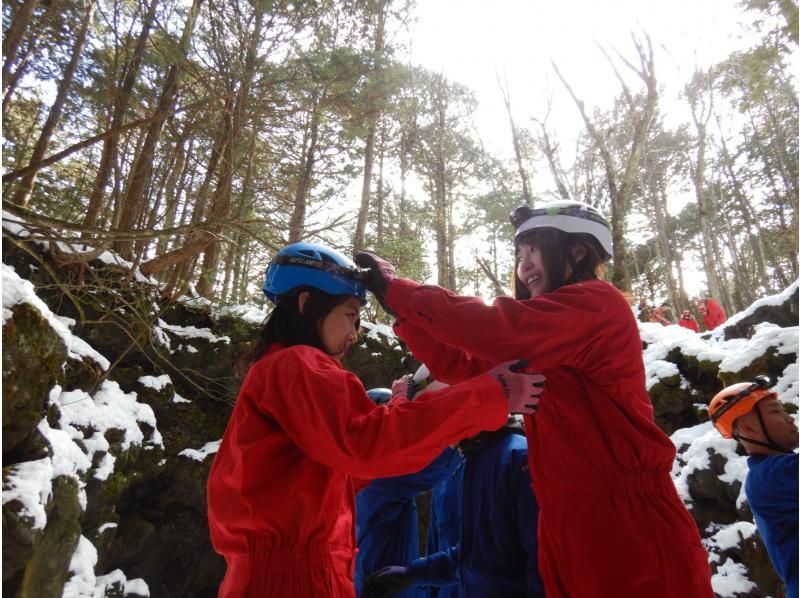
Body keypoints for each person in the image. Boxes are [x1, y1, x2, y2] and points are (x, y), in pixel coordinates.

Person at [355, 200, 714, 597]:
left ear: (577, 251)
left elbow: (501, 330)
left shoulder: (598, 303)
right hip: (565, 518)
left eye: (534, 249)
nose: (523, 264)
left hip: (625, 516)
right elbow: (465, 364)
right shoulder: (547, 337)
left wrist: (401, 290)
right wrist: (401, 311)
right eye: (519, 254)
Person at [206, 242, 545, 597]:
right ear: (307, 304)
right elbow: (368, 444)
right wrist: (489, 394)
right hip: (294, 579)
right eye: (350, 315)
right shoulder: (298, 365)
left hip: (298, 572)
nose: (354, 334)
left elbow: (356, 463)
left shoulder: (280, 371)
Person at [362, 415, 544, 598]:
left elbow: (541, 560)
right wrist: (413, 573)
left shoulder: (519, 458)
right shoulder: (467, 467)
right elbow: (471, 555)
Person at [355, 386, 461, 598]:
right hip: (387, 587)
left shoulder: (355, 476)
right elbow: (434, 464)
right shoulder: (380, 480)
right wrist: (462, 427)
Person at [708, 376, 799, 598]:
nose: (789, 418)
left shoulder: (767, 474)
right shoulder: (775, 474)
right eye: (776, 412)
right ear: (748, 428)